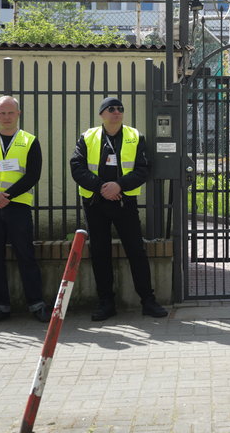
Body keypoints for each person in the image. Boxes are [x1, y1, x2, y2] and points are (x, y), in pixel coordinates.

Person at [70, 96, 168, 321]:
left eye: (120, 109)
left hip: (124, 202)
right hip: (95, 203)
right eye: (111, 109)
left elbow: (143, 169)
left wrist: (119, 186)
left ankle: (148, 300)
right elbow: (77, 167)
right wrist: (102, 187)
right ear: (102, 114)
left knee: (136, 250)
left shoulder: (135, 136)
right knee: (100, 252)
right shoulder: (88, 137)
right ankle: (106, 303)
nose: (117, 112)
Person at [0, 96, 49, 325]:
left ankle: (37, 305)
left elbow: (33, 174)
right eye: (1, 113)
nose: (6, 117)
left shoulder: (30, 140)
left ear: (18, 114)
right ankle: (1, 306)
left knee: (26, 256)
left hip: (18, 206)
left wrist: (7, 195)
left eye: (10, 113)